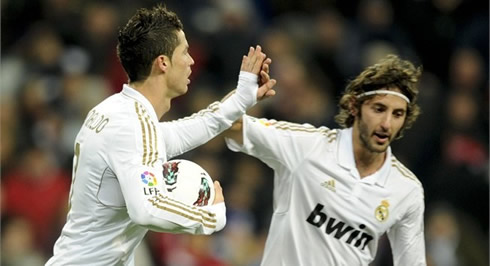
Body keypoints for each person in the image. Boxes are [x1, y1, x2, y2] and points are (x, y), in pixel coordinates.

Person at [46, 5, 276, 266]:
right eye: (185, 52)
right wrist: (209, 217)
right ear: (163, 62)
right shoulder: (132, 123)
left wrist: (242, 97)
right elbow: (147, 209)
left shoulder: (115, 110)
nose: (191, 61)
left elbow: (188, 129)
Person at [225, 54, 426, 265]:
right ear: (354, 107)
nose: (387, 123)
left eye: (398, 114)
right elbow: (231, 125)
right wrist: (243, 95)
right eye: (379, 109)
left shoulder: (407, 189)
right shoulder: (308, 146)